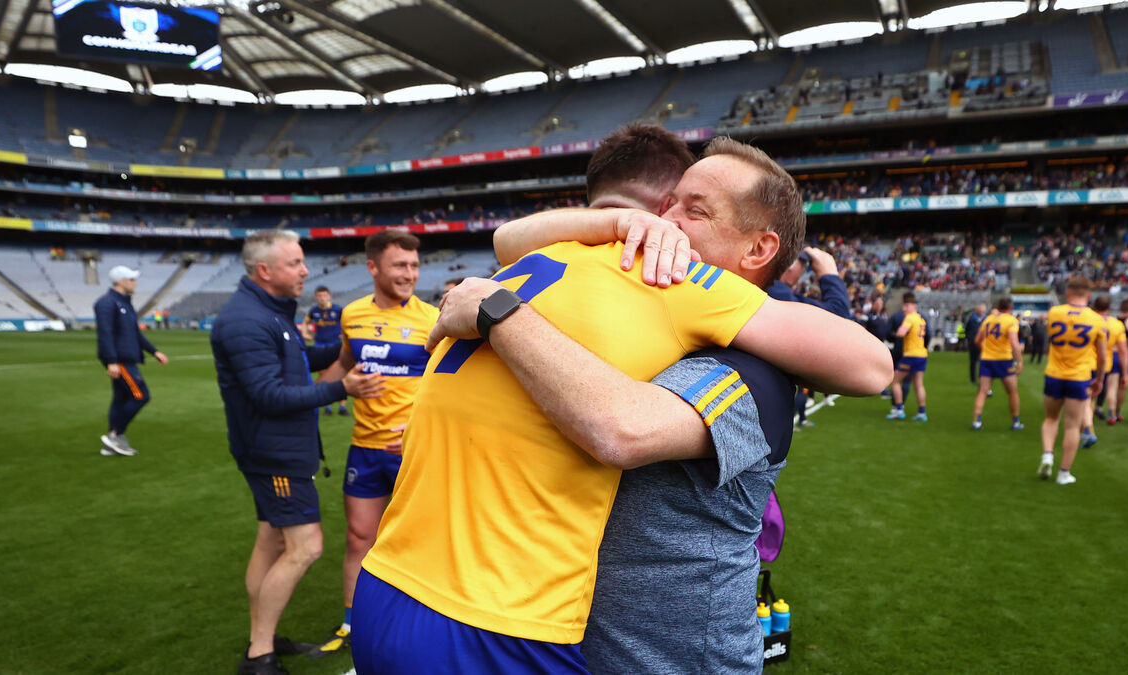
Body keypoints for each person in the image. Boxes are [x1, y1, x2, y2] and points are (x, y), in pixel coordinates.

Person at [350, 135, 893, 673]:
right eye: (668, 204)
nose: (665, 221)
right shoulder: (637, 280)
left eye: (695, 212)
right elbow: (508, 240)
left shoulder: (721, 326)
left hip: (660, 656)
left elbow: (619, 427)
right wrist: (615, 224)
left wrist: (498, 312)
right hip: (508, 618)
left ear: (757, 250)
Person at [210, 231, 382, 675]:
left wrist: (348, 347)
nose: (306, 271)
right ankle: (259, 656)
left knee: (270, 541)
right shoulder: (247, 320)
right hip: (275, 455)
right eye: (295, 263)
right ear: (264, 271)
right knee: (306, 547)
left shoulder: (267, 311)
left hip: (274, 449)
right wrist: (343, 388)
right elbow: (269, 395)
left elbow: (297, 358)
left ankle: (262, 638)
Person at [311, 230, 439, 657]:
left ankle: (423, 621)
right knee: (358, 537)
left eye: (414, 266)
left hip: (413, 450)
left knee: (421, 540)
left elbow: (450, 386)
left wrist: (421, 428)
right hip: (364, 448)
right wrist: (309, 397)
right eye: (400, 265)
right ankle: (352, 621)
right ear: (373, 267)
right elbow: (345, 362)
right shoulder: (352, 314)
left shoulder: (432, 319)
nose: (410, 274)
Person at [768, 247, 850, 428]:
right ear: (789, 269)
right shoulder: (779, 294)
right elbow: (839, 317)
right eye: (803, 266)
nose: (804, 272)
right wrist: (829, 274)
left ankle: (802, 418)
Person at [1039, 276, 1106, 486]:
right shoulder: (1096, 319)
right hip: (1079, 376)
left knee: (1051, 419)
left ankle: (1047, 455)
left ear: (1068, 293)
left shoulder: (1054, 312)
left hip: (1054, 374)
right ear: (1089, 295)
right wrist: (1099, 380)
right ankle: (1063, 473)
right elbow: (1102, 357)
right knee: (1072, 427)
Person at [94, 265, 167, 457]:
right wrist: (111, 361)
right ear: (121, 281)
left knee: (120, 399)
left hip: (127, 359)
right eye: (132, 279)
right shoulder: (106, 303)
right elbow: (105, 333)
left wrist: (154, 351)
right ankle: (115, 435)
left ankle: (113, 441)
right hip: (120, 360)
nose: (135, 283)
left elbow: (135, 334)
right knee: (140, 395)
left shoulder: (125, 304)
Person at [971, 298, 1024, 430]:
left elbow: (977, 340)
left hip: (987, 359)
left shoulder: (988, 319)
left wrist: (985, 350)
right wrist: (1019, 361)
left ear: (999, 306)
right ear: (1011, 308)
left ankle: (977, 421)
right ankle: (1015, 422)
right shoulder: (1011, 321)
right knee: (1012, 392)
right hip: (1003, 359)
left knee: (982, 391)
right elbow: (1014, 343)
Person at [301, 286, 346, 416]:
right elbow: (305, 322)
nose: (322, 298)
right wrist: (304, 333)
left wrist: (345, 334)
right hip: (320, 345)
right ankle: (328, 406)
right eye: (319, 296)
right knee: (324, 375)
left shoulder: (337, 310)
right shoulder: (314, 311)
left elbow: (347, 322)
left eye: (324, 295)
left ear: (329, 296)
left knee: (340, 374)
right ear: (316, 297)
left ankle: (342, 407)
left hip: (335, 345)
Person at [887, 292, 929, 421]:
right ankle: (922, 412)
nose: (904, 309)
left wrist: (898, 333)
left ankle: (899, 410)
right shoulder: (921, 319)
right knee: (918, 384)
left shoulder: (910, 318)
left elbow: (901, 332)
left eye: (906, 306)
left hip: (911, 355)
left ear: (911, 306)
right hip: (922, 354)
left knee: (895, 381)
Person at [1090, 296, 1128, 431]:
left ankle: (1087, 426)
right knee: (1111, 388)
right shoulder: (1116, 324)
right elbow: (1123, 350)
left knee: (1089, 397)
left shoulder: (1089, 320)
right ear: (1109, 308)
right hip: (1107, 362)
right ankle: (1112, 414)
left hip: (1089, 361)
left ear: (1094, 306)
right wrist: (1125, 373)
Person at [965, 303, 986, 381]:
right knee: (973, 362)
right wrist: (969, 338)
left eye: (982, 311)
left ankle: (982, 377)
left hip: (983, 343)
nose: (981, 312)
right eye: (979, 311)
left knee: (983, 361)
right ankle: (972, 379)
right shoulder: (972, 319)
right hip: (973, 342)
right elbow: (967, 329)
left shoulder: (987, 319)